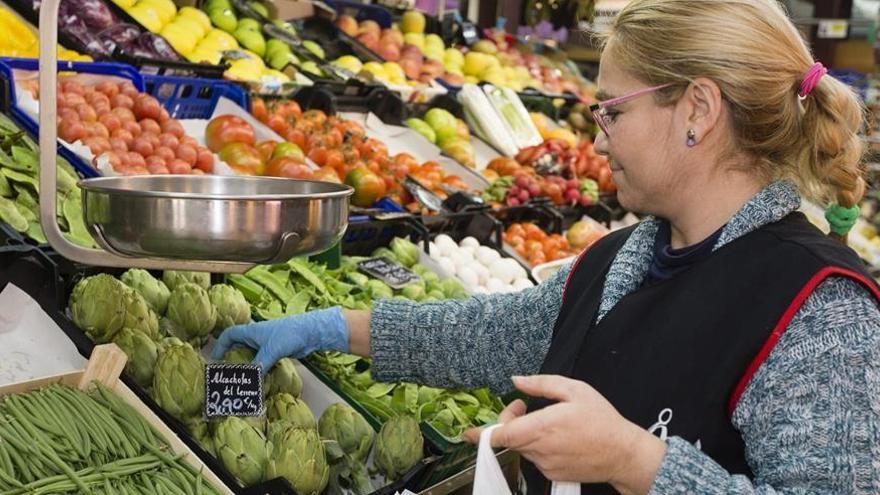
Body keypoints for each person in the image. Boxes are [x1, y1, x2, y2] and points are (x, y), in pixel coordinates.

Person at [213, 0, 880, 492]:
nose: (597, 141)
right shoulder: (623, 256)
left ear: (698, 111)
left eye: (613, 111)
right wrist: (331, 327)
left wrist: (636, 462)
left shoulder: (822, 313)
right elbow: (491, 333)